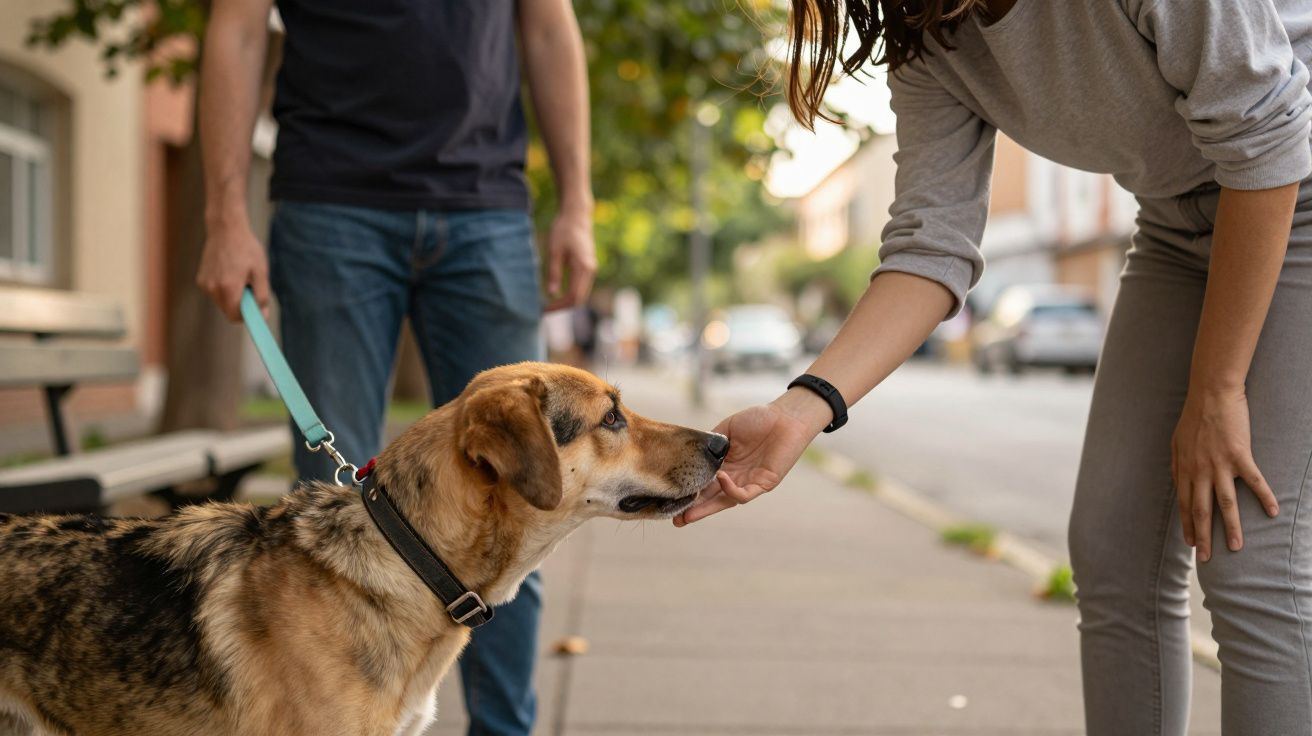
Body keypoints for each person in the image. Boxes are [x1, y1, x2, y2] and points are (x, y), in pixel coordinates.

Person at [678, 1, 1312, 734]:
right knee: (1113, 553)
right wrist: (803, 407)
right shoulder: (927, 29)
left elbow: (1268, 132)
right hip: (1175, 221)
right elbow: (929, 245)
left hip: (1291, 189)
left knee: (1251, 564)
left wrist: (1218, 390)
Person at [195, 1, 595, 733]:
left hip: (487, 206)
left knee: (527, 493)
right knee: (328, 508)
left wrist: (578, 201)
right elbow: (239, 26)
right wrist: (225, 215)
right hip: (329, 200)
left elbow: (547, 25)